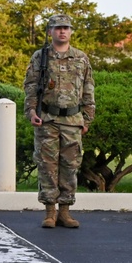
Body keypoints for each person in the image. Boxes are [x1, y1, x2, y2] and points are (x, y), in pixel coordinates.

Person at [23, 14, 95, 229]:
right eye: (57, 28)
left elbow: (88, 89)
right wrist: (31, 111)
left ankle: (65, 211)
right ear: (50, 32)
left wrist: (88, 118)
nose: (62, 31)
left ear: (71, 31)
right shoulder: (40, 57)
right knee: (47, 166)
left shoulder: (81, 58)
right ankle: (50, 212)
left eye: (66, 28)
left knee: (70, 166)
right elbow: (31, 86)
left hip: (72, 119)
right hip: (47, 119)